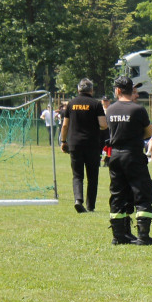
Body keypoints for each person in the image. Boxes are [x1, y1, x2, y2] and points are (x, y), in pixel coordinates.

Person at [106, 75, 152, 244]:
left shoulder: (111, 109)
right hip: (133, 155)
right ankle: (143, 236)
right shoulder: (138, 110)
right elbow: (149, 133)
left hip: (114, 156)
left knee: (118, 193)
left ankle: (119, 235)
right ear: (130, 90)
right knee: (141, 191)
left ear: (118, 90)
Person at [60, 78, 108, 213]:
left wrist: (64, 141)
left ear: (78, 89)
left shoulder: (71, 104)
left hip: (75, 143)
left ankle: (78, 200)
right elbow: (103, 124)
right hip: (92, 144)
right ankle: (90, 206)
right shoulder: (96, 104)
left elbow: (65, 125)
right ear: (91, 90)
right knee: (92, 176)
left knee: (77, 175)